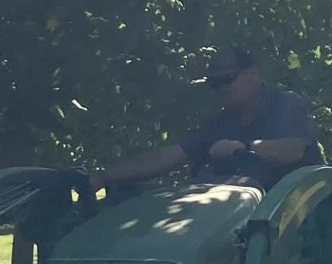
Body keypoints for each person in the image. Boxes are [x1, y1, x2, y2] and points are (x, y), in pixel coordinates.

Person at [103, 48, 320, 189]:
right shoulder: (219, 124)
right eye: (215, 83)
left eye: (228, 78)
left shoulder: (287, 104)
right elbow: (169, 156)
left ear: (253, 75)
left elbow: (294, 149)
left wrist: (243, 147)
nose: (223, 88)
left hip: (294, 213)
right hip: (239, 212)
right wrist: (104, 177)